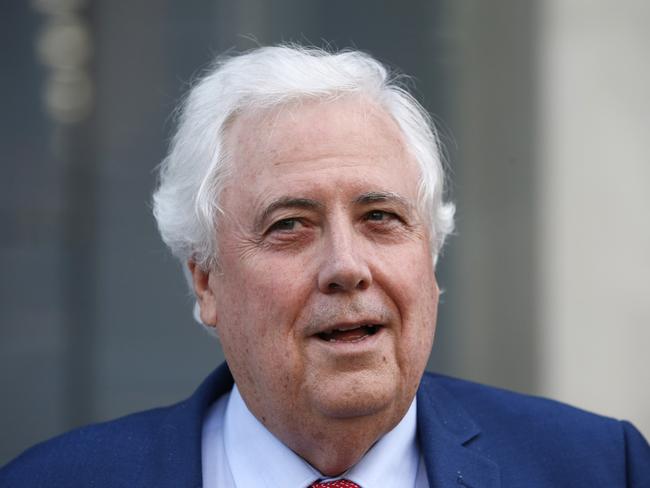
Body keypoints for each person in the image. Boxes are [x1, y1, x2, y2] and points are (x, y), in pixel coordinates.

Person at [1, 45, 649, 488]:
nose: (346, 267)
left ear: (430, 256)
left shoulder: (598, 468)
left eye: (381, 219)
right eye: (290, 226)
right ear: (204, 278)